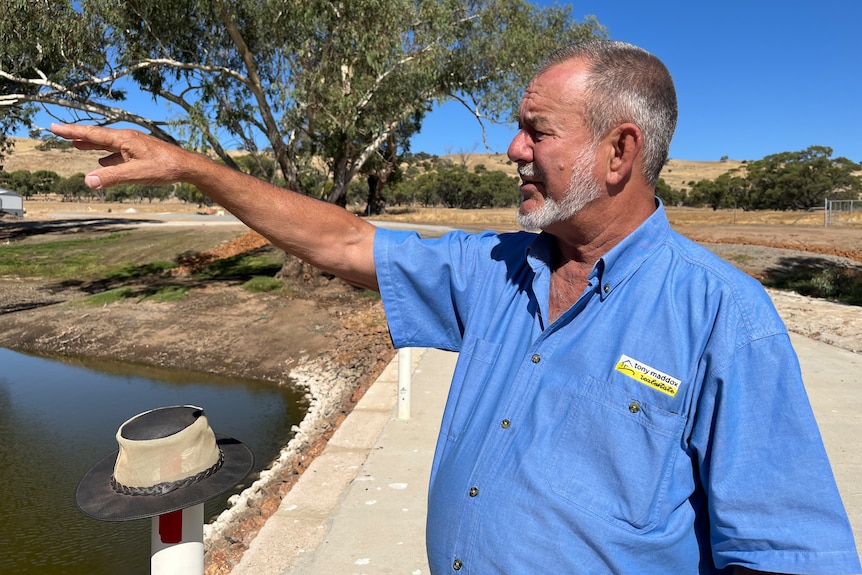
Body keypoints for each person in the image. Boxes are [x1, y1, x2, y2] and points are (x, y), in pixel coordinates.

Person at [52, 40, 860, 575]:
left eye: (533, 131)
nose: (511, 150)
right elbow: (344, 243)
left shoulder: (725, 317)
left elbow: (787, 553)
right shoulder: (494, 268)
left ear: (620, 151)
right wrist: (197, 170)